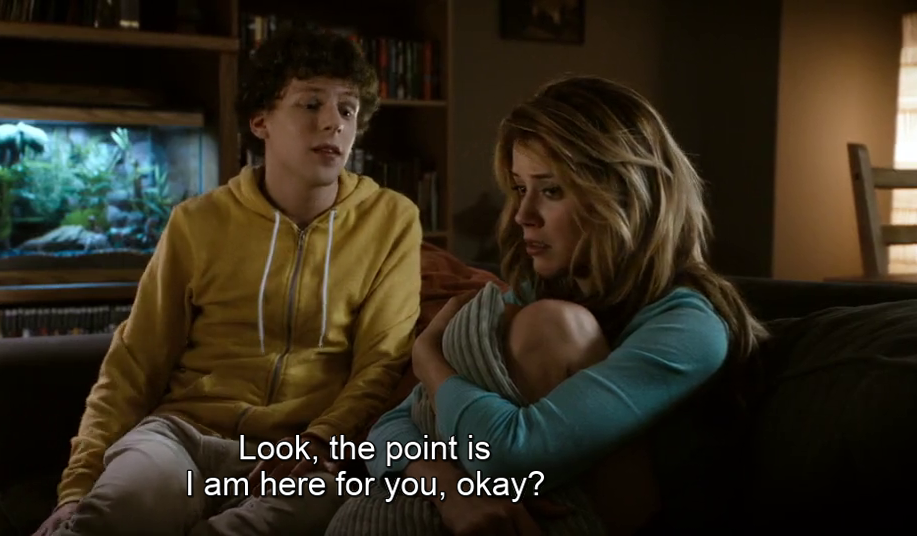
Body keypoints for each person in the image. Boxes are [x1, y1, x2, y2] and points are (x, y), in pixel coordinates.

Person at [326, 75, 767, 536]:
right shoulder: (537, 293)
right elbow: (388, 431)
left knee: (554, 325)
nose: (523, 215)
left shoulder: (690, 328)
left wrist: (430, 360)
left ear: (623, 194)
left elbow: (508, 457)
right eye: (520, 188)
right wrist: (449, 486)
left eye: (551, 190)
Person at [34, 26, 423, 536]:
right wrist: (77, 488)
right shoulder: (197, 223)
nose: (333, 122)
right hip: (181, 437)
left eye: (347, 110)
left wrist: (321, 440)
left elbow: (381, 361)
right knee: (120, 509)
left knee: (307, 511)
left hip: (297, 452)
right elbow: (134, 362)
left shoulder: (391, 220)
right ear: (261, 121)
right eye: (310, 104)